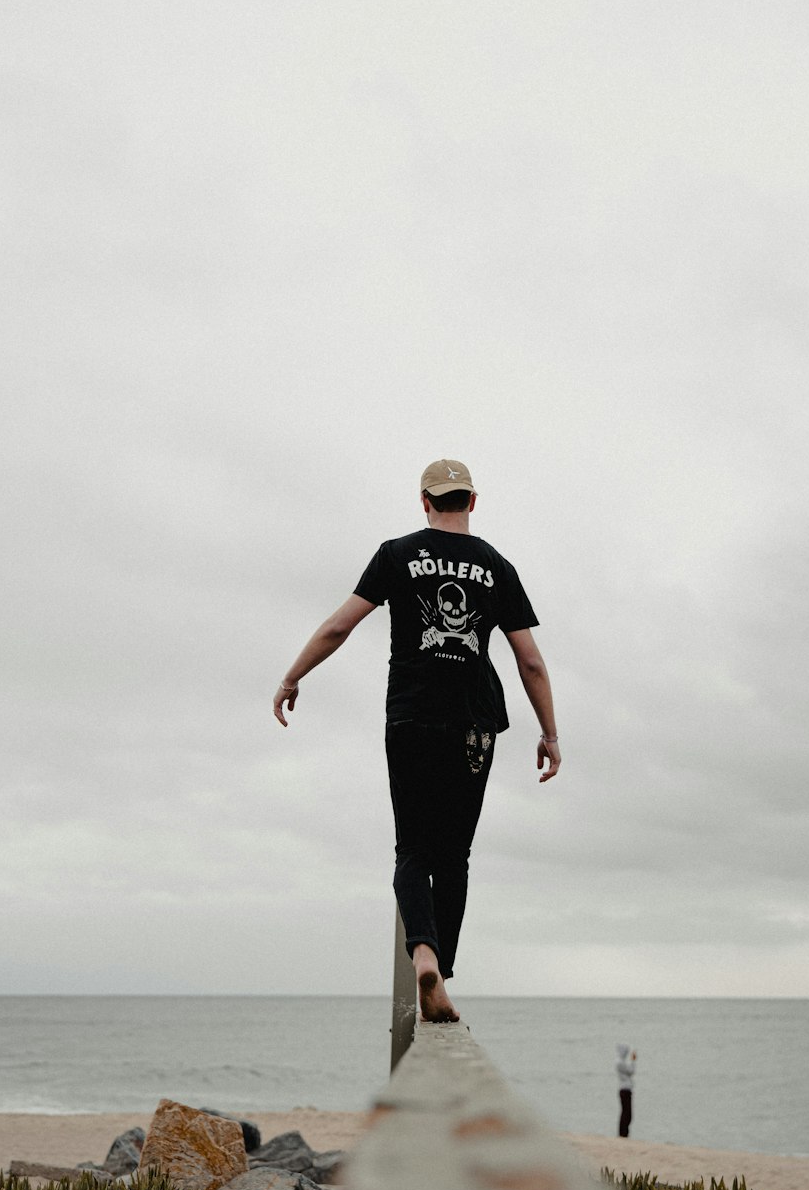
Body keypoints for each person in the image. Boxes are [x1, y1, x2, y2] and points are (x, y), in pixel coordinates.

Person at [273, 458, 561, 1023]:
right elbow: (529, 661)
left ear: (424, 501)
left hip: (410, 717)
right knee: (454, 855)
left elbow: (339, 626)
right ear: (472, 502)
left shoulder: (397, 554)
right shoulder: (497, 566)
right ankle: (443, 977)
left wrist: (292, 676)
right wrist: (549, 732)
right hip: (475, 723)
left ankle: (422, 954)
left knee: (412, 848)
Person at [617, 1044, 636, 1137]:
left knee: (627, 1112)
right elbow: (631, 1071)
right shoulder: (620, 1062)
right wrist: (633, 1061)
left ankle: (624, 1132)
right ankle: (623, 1133)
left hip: (626, 1088)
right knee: (626, 1112)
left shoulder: (621, 1062)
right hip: (625, 1089)